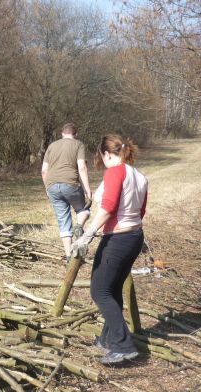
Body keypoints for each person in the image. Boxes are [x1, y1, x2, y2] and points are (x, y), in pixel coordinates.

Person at [72, 134, 148, 365]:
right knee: (112, 288)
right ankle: (107, 339)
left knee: (100, 291)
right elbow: (141, 210)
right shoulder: (139, 175)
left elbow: (108, 208)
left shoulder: (115, 171)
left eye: (101, 157)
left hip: (118, 238)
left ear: (106, 154)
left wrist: (88, 234)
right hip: (134, 236)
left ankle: (124, 346)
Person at [42, 123, 92, 262]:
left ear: (62, 133)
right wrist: (87, 190)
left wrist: (47, 188)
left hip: (52, 186)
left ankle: (69, 256)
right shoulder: (78, 145)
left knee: (63, 220)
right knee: (83, 210)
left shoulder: (52, 146)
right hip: (71, 184)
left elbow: (44, 170)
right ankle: (79, 226)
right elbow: (81, 167)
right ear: (75, 134)